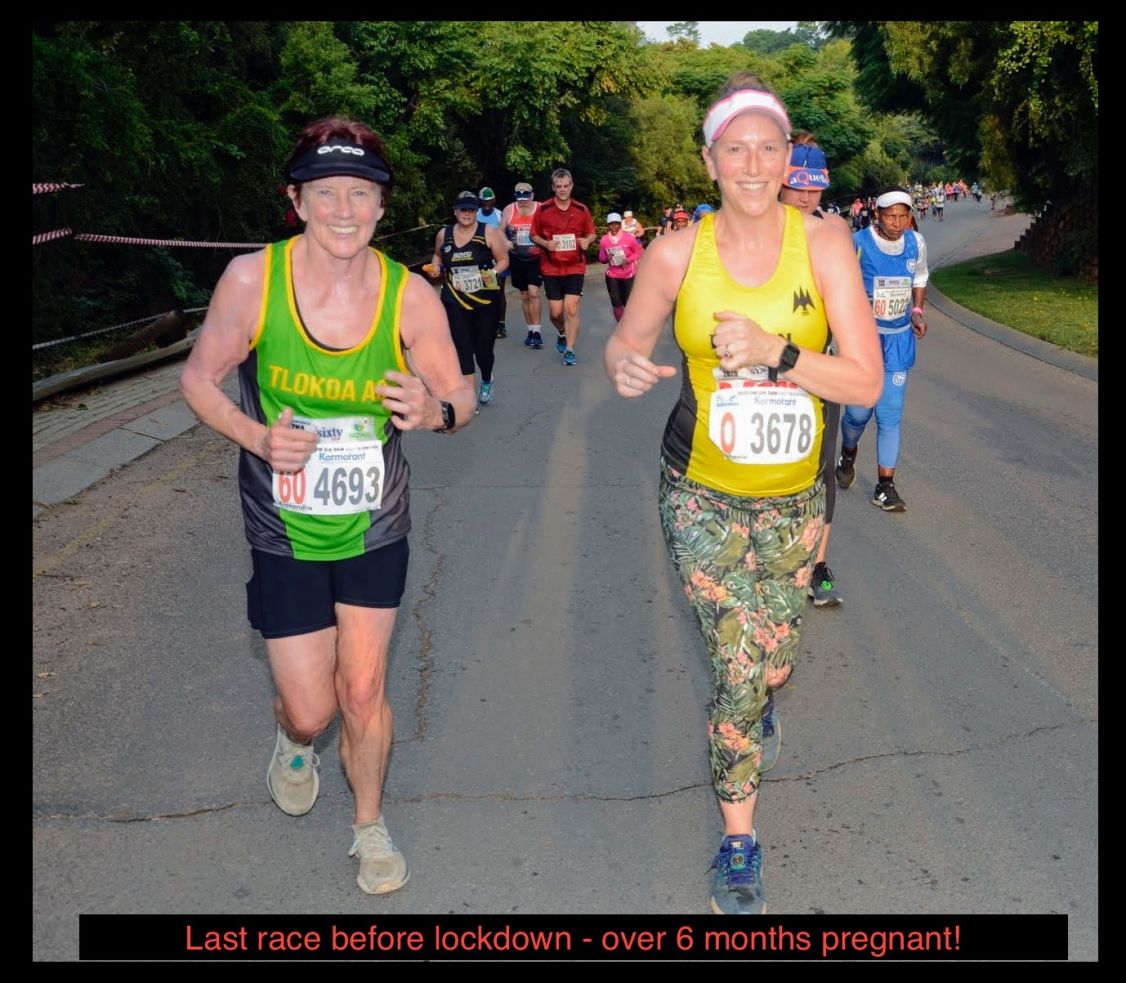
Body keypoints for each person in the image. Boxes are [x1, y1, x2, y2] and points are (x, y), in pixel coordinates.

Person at [603, 73, 881, 915]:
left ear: (788, 154)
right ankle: (738, 841)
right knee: (735, 671)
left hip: (797, 496)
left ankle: (759, 697)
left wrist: (779, 351)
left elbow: (864, 377)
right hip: (700, 491)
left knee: (774, 661)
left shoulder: (825, 244)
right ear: (710, 160)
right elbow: (629, 336)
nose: (755, 164)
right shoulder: (675, 251)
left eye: (770, 147)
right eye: (737, 148)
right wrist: (622, 360)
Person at [178, 116, 475, 898]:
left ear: (382, 207)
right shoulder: (252, 281)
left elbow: (460, 393)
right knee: (313, 707)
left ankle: (369, 825)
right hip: (283, 521)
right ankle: (293, 738)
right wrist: (254, 436)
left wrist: (434, 409)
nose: (345, 209)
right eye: (326, 193)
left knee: (364, 688)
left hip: (375, 518)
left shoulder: (409, 295)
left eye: (362, 194)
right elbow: (198, 380)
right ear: (297, 200)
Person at [779, 133, 851, 607]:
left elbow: (848, 308)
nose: (807, 197)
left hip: (820, 371)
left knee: (820, 470)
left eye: (815, 187)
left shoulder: (835, 232)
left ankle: (817, 564)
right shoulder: (754, 228)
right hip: (761, 373)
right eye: (797, 187)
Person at [835, 187, 928, 512]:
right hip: (863, 339)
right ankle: (848, 452)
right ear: (878, 215)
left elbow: (919, 278)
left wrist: (917, 311)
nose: (897, 222)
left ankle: (885, 487)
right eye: (891, 216)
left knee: (890, 415)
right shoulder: (858, 243)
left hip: (899, 338)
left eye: (904, 216)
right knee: (858, 414)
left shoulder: (915, 242)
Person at [429, 191, 509, 405]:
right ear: (455, 211)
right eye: (463, 209)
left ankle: (486, 378)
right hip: (454, 299)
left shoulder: (489, 232)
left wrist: (493, 273)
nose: (467, 213)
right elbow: (438, 255)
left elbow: (503, 260)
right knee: (463, 348)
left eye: (471, 210)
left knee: (483, 350)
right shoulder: (443, 235)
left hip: (485, 299)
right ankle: (469, 397)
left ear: (476, 211)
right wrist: (436, 267)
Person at [530, 168, 596, 366]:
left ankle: (570, 349)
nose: (562, 190)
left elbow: (591, 233)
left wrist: (587, 241)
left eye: (566, 186)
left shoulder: (581, 210)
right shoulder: (543, 210)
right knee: (555, 313)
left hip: (575, 266)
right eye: (558, 186)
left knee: (572, 309)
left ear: (571, 186)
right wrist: (545, 243)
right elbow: (534, 234)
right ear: (553, 187)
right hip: (551, 268)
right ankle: (561, 331)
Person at [501, 181, 545, 349]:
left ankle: (538, 332)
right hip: (517, 258)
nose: (523, 201)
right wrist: (505, 241)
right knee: (525, 295)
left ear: (532, 195)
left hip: (535, 257)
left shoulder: (540, 208)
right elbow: (499, 231)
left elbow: (549, 228)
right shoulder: (509, 209)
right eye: (520, 197)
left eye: (526, 197)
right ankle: (531, 330)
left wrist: (544, 243)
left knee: (534, 293)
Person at [475, 187, 509, 338]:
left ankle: (500, 324)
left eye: (489, 202)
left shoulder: (500, 215)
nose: (487, 205)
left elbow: (505, 236)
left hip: (497, 259)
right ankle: (484, 323)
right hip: (480, 259)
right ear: (480, 202)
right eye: (484, 202)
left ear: (494, 201)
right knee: (481, 290)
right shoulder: (475, 215)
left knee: (498, 292)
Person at [598, 212, 643, 323]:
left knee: (628, 303)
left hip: (629, 274)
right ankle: (621, 327)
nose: (614, 226)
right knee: (616, 303)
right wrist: (607, 258)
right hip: (612, 275)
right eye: (611, 224)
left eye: (616, 224)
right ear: (607, 225)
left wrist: (627, 261)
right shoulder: (604, 240)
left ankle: (632, 325)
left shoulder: (629, 238)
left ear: (620, 224)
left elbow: (638, 253)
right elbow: (602, 259)